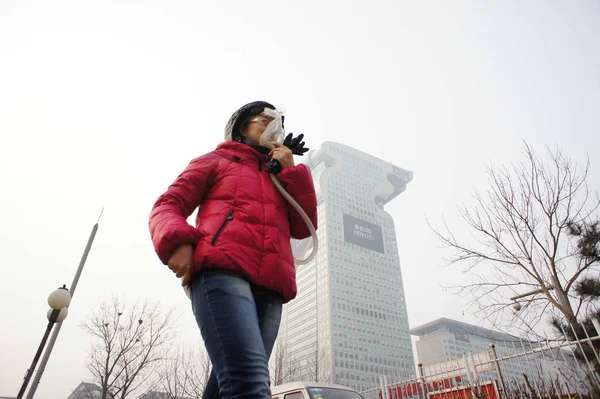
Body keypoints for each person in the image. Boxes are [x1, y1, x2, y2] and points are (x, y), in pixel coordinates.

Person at [149, 101, 318, 399]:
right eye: (265, 120)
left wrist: (291, 172)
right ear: (243, 126)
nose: (274, 127)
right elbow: (167, 205)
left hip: (271, 288)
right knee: (250, 383)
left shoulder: (280, 177)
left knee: (228, 385)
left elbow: (304, 228)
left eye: (279, 122)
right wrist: (177, 243)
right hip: (222, 272)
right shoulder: (216, 160)